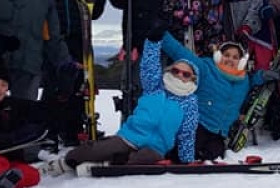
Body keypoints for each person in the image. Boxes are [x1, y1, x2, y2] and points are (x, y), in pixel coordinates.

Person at [64, 37, 200, 170]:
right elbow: (149, 65)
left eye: (186, 74)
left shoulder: (189, 104)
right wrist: (153, 41)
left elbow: (187, 134)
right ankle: (67, 162)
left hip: (155, 148)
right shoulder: (155, 88)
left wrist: (187, 160)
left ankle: (111, 163)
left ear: (193, 79)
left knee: (146, 158)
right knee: (96, 150)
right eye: (176, 71)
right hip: (130, 137)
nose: (179, 75)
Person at [157, 32, 270, 160]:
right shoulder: (206, 68)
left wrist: (263, 76)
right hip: (197, 126)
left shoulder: (244, 81)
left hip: (219, 133)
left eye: (235, 57)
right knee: (185, 153)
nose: (230, 59)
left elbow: (254, 80)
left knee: (215, 154)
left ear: (241, 62)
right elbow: (180, 52)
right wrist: (162, 35)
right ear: (218, 56)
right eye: (226, 55)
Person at [44, 0, 112, 146]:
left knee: (76, 86)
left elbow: (95, 14)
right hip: (50, 38)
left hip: (75, 39)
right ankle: (48, 131)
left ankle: (72, 130)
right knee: (53, 85)